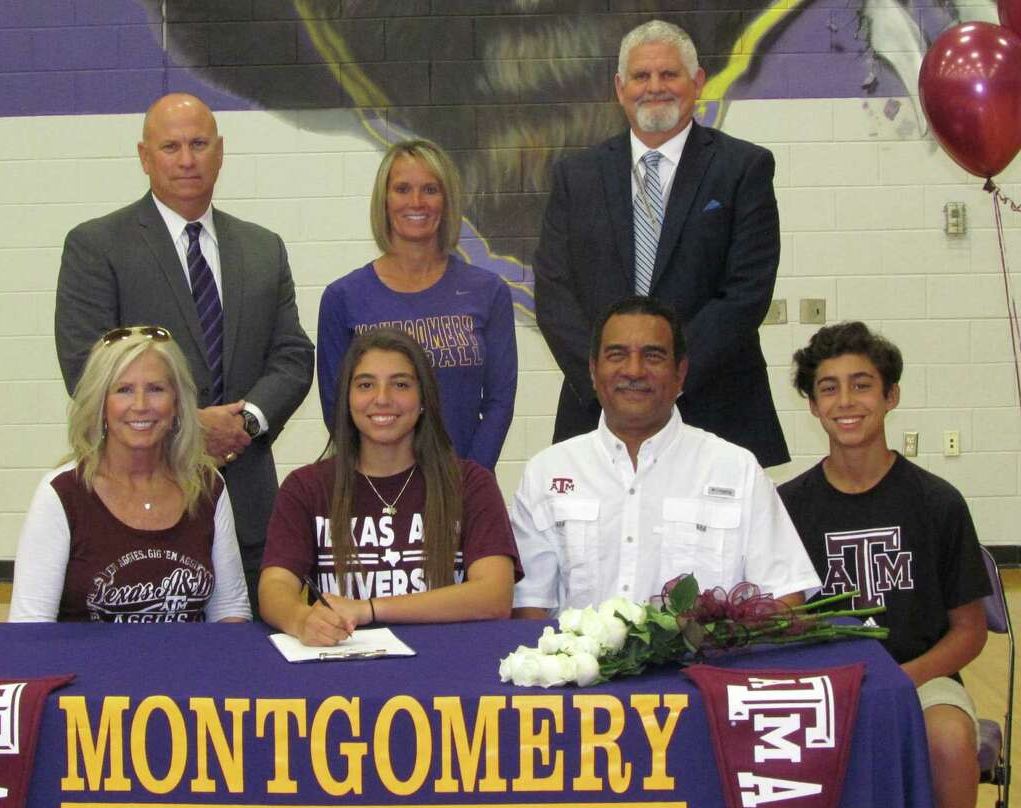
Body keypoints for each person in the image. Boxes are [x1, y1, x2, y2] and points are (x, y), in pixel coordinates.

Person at [54, 92, 314, 603]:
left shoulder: (264, 248)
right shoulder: (97, 247)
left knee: (257, 666)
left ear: (220, 151)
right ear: (144, 156)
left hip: (249, 507)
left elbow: (292, 355)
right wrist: (192, 427)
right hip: (138, 512)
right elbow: (88, 371)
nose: (187, 159)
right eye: (170, 146)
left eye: (199, 144)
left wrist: (245, 423)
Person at [778, 321, 988, 808]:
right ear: (813, 404)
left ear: (891, 395)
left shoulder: (937, 502)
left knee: (949, 738)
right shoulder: (788, 506)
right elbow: (783, 617)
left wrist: (902, 679)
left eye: (861, 384)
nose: (846, 401)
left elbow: (968, 631)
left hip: (920, 677)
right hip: (824, 685)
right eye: (829, 387)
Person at [533, 19, 788, 467]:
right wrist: (608, 380)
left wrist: (668, 374)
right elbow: (554, 293)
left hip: (715, 405)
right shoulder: (576, 176)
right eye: (641, 76)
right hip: (597, 413)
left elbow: (746, 292)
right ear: (619, 87)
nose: (655, 87)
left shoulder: (743, 168)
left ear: (697, 82)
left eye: (669, 75)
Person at [511, 298, 817, 618]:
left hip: (702, 666)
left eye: (653, 356)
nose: (634, 370)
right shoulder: (545, 473)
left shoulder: (736, 470)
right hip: (578, 667)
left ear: (680, 372)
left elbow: (784, 600)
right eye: (617, 355)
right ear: (593, 370)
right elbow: (529, 608)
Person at [260, 328, 520, 646]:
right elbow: (274, 585)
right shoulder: (306, 488)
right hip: (341, 667)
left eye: (400, 384)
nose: (382, 399)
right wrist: (302, 621)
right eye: (366, 385)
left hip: (447, 667)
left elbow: (494, 596)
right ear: (347, 399)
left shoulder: (471, 485)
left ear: (423, 398)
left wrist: (370, 609)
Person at [10, 327, 250, 623]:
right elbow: (29, 626)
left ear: (177, 403)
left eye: (155, 389)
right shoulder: (61, 493)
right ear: (101, 405)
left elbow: (231, 612)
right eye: (124, 390)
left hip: (188, 667)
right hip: (87, 669)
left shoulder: (209, 487)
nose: (140, 405)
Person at [316, 138, 517, 469]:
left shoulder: (488, 292)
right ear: (384, 200)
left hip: (462, 487)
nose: (416, 201)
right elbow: (336, 408)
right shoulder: (343, 298)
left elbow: (499, 402)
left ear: (447, 200)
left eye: (430, 190)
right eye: (403, 189)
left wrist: (469, 481)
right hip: (378, 489)